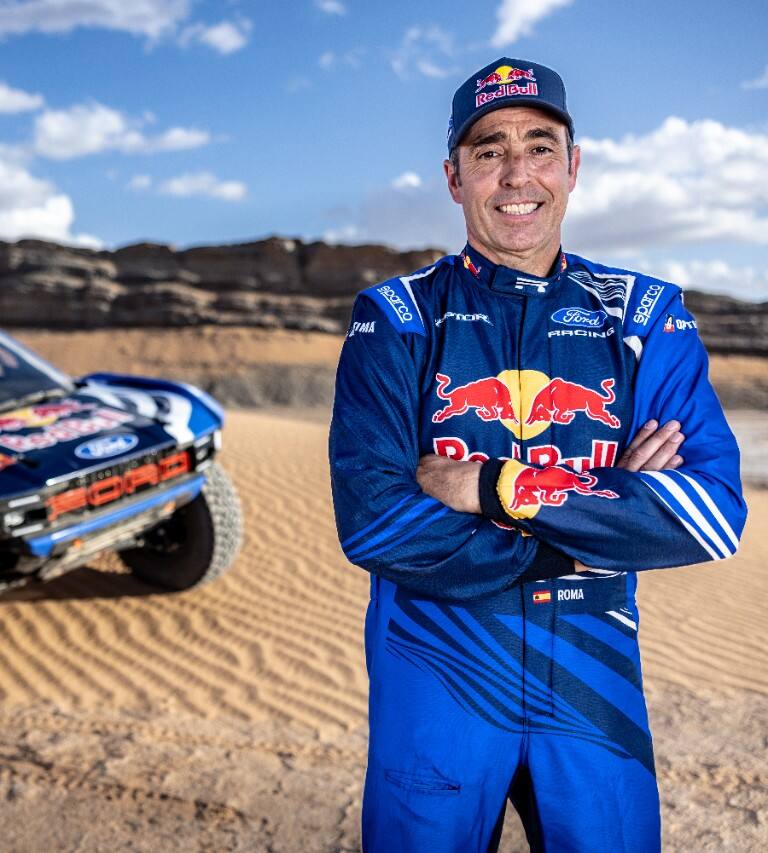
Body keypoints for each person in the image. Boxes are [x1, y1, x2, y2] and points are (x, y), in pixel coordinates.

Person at [328, 57, 747, 852]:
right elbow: (376, 521)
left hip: (591, 676)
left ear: (573, 166)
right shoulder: (395, 317)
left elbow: (712, 514)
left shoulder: (644, 315)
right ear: (454, 178)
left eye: (540, 147)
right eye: (489, 151)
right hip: (436, 667)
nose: (517, 174)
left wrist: (494, 486)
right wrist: (604, 518)